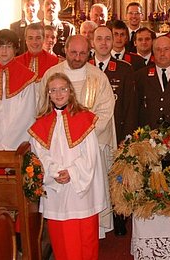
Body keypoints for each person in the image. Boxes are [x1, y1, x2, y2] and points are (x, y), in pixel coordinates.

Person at [40, 34, 116, 239]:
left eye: (83, 53)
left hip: (88, 146)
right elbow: (41, 108)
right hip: (57, 147)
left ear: (89, 52)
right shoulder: (51, 74)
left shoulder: (98, 77)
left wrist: (81, 136)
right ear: (65, 50)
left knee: (87, 196)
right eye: (73, 52)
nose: (77, 57)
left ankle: (93, 232)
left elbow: (105, 111)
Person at [28, 72, 107, 260]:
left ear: (70, 91)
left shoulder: (84, 118)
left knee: (85, 237)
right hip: (56, 189)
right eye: (53, 90)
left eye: (62, 89)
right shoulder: (41, 124)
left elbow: (90, 155)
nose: (58, 94)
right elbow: (39, 155)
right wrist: (55, 172)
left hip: (81, 189)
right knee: (61, 238)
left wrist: (71, 172)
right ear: (47, 94)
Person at [90, 25, 137, 236]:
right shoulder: (85, 67)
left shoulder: (125, 69)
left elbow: (129, 106)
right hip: (90, 135)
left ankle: (119, 217)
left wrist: (127, 137)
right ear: (92, 42)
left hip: (116, 132)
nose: (103, 43)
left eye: (107, 39)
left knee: (117, 179)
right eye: (99, 39)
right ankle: (95, 219)